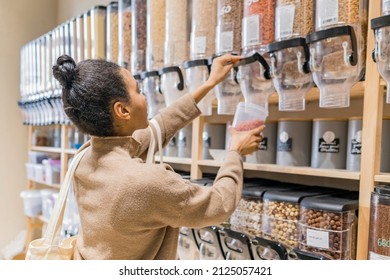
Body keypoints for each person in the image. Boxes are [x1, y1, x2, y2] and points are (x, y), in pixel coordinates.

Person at [53, 53, 265, 260]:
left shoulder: (84, 157)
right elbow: (219, 205)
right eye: (139, 91)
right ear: (122, 110)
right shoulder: (146, 182)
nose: (145, 97)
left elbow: (159, 127)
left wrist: (210, 83)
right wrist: (235, 152)